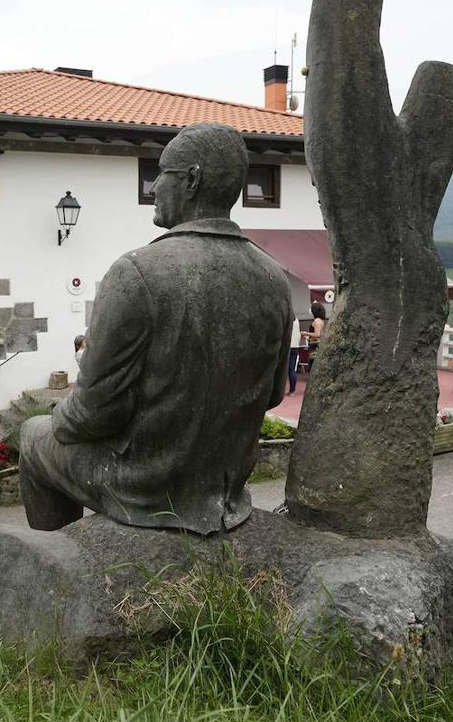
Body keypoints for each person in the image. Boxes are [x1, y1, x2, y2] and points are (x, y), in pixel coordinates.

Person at [18, 122, 293, 535]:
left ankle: (53, 554)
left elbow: (93, 412)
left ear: (192, 180)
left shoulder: (137, 272)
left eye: (162, 174)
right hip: (224, 496)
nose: (153, 188)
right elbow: (273, 394)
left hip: (143, 489)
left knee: (32, 433)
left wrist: (59, 417)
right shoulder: (275, 278)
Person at [305, 301, 328, 371]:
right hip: (316, 346)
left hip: (315, 349)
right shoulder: (321, 320)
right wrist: (308, 338)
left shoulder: (317, 321)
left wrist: (306, 333)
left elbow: (317, 334)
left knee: (312, 369)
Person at [288, 314, 303, 394]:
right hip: (295, 347)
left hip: (288, 347)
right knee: (292, 369)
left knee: (285, 370)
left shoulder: (287, 321)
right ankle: (292, 390)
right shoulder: (297, 321)